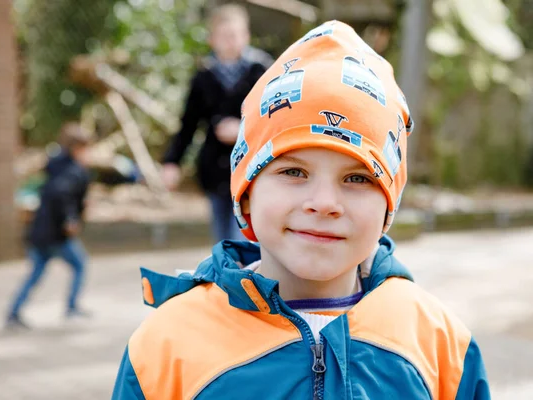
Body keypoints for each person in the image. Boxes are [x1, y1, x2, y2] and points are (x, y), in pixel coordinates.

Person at [112, 21, 491, 399]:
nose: (325, 203)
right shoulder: (166, 348)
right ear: (246, 193)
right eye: (293, 171)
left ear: (389, 205)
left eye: (358, 178)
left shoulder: (442, 346)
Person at [161, 3, 273, 243]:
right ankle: (226, 278)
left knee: (243, 237)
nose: (230, 41)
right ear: (212, 39)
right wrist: (172, 162)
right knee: (223, 241)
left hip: (252, 168)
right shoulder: (204, 77)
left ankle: (241, 278)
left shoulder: (262, 71)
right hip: (216, 170)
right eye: (224, 36)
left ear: (246, 36)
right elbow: (188, 123)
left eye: (235, 35)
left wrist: (242, 130)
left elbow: (277, 116)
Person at [6, 122, 92, 329]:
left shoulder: (53, 164)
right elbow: (62, 195)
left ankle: (14, 311)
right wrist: (70, 219)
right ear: (77, 148)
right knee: (80, 264)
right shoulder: (73, 170)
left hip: (39, 231)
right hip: (56, 234)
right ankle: (71, 307)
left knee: (36, 273)